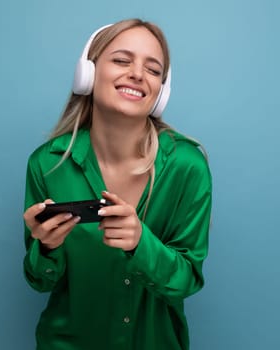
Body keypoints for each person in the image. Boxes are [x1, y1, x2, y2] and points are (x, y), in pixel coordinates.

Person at [22, 18, 212, 350]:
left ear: (161, 91)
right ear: (88, 74)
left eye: (153, 70)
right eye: (122, 60)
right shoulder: (47, 165)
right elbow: (39, 280)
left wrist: (141, 243)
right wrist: (47, 248)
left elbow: (187, 280)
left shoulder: (187, 167)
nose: (137, 74)